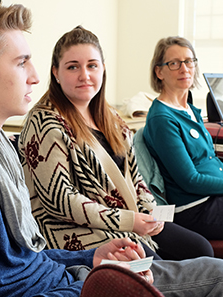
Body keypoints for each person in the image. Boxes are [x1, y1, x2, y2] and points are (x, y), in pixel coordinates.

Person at [0, 6, 223, 297]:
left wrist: (94, 258)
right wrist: (93, 288)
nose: (34, 77)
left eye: (92, 65)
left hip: (71, 272)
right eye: (21, 63)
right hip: (72, 283)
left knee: (214, 268)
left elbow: (25, 260)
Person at [18, 26, 213, 261]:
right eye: (73, 67)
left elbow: (136, 177)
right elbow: (61, 200)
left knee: (200, 249)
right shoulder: (44, 122)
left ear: (102, 70)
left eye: (92, 65)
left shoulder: (112, 119)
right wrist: (130, 221)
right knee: (151, 264)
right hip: (72, 229)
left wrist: (152, 211)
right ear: (56, 72)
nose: (85, 75)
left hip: (126, 217)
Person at [143, 36, 223, 241]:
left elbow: (209, 160)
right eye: (174, 63)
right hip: (196, 208)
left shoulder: (189, 109)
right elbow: (190, 180)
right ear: (159, 71)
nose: (184, 68)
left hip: (214, 196)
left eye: (189, 61)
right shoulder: (162, 118)